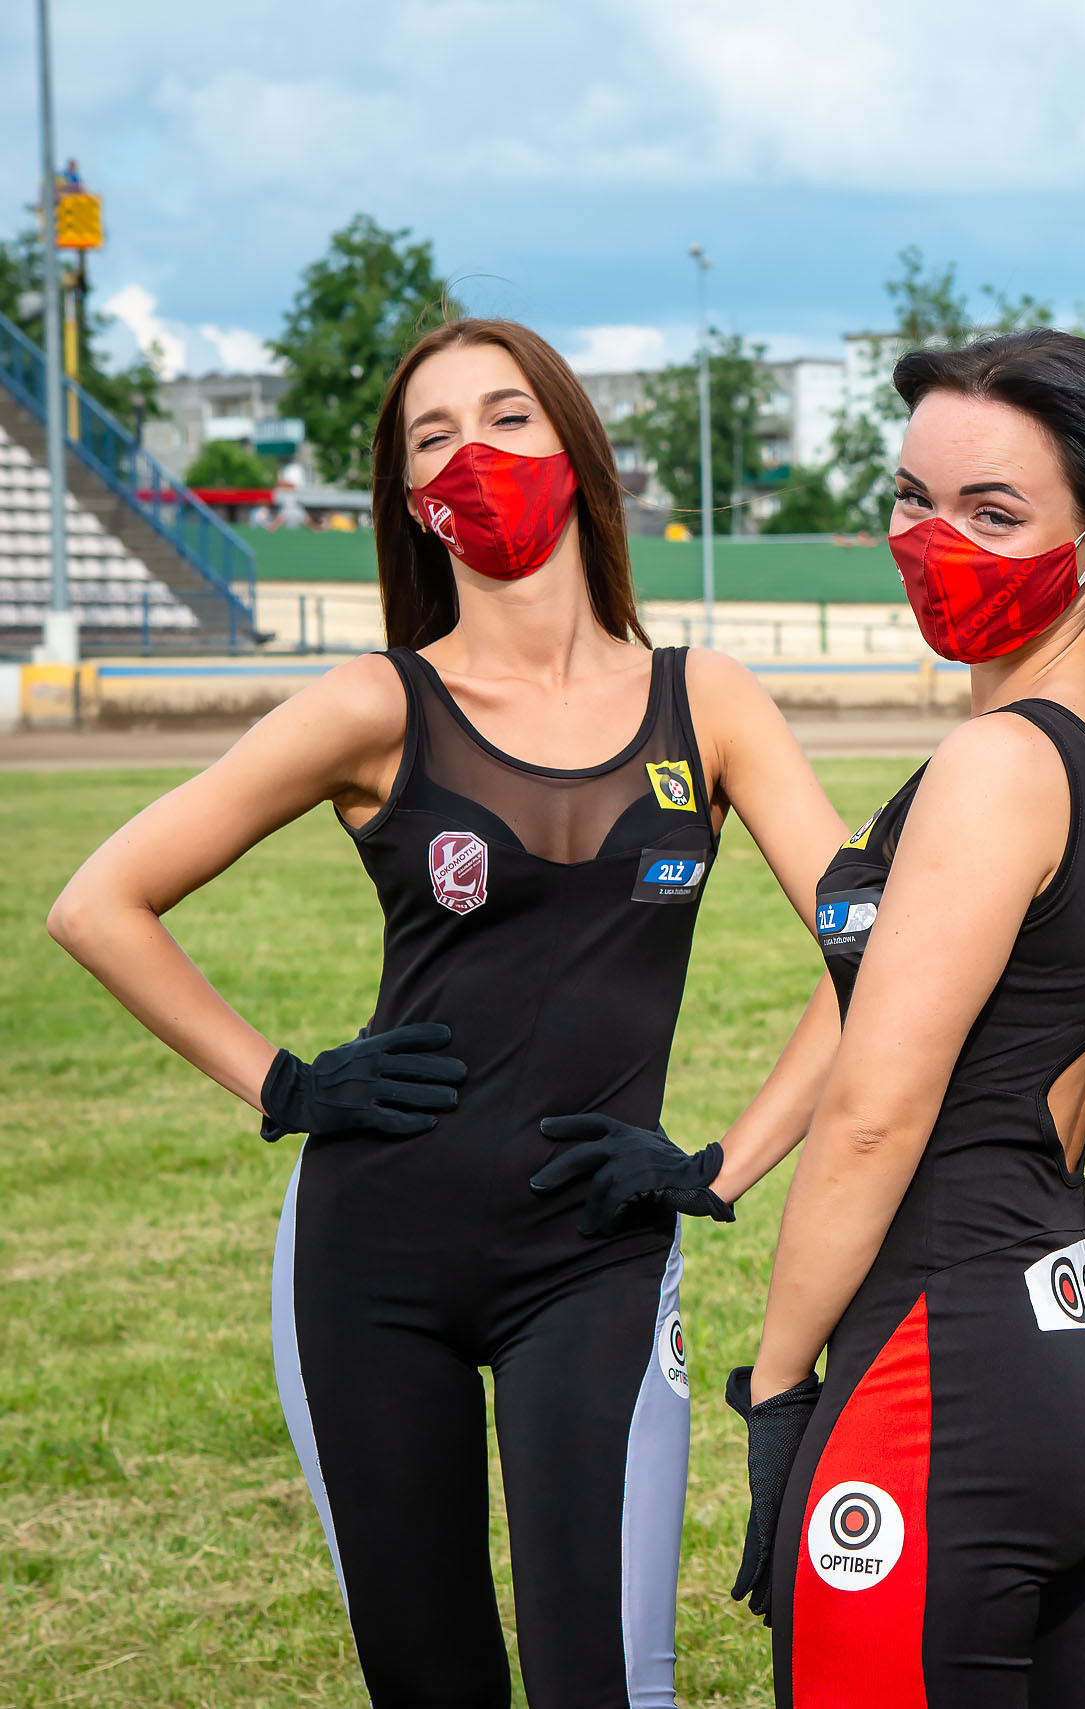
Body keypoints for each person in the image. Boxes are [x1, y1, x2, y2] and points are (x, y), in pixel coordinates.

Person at [45, 318, 852, 1707]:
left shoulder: (702, 701)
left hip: (593, 1257)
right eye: (435, 437)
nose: (476, 454)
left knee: (604, 1681)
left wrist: (722, 1161)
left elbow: (873, 953)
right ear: (411, 497)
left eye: (509, 419)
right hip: (371, 1259)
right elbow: (99, 902)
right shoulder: (376, 702)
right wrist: (284, 1083)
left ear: (577, 453)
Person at [728, 330, 1085, 1706]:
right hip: (1068, 1344)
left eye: (992, 509)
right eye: (914, 497)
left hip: (947, 1371)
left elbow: (875, 1115)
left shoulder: (1001, 764)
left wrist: (780, 1389)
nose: (934, 539)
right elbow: (865, 1008)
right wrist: (715, 1167)